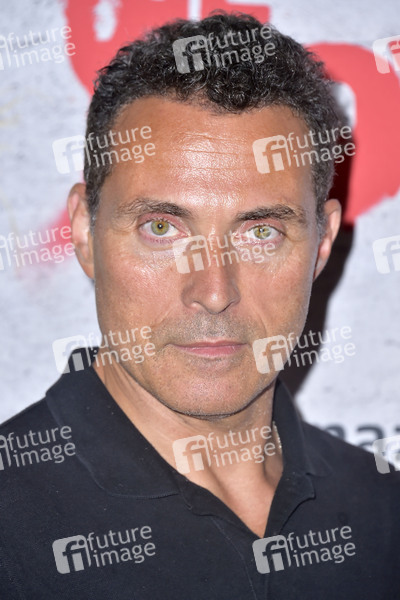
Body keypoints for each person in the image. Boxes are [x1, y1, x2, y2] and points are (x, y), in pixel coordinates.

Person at [0, 12, 398, 599]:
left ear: (322, 243)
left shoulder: (383, 511)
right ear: (84, 231)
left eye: (260, 233)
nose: (213, 292)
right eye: (161, 228)